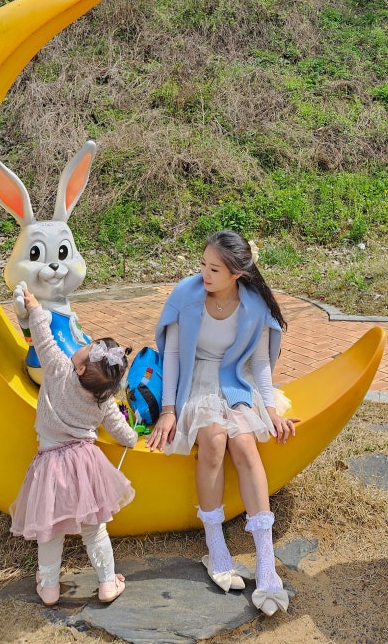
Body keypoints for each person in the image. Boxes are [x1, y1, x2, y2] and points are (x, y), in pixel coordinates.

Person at [145, 230, 297, 616]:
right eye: (203, 264)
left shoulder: (254, 305)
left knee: (244, 444)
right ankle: (216, 547)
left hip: (234, 379)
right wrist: (168, 410)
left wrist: (270, 410)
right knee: (213, 441)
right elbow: (173, 354)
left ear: (237, 274)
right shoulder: (186, 295)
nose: (205, 274)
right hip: (194, 380)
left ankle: (266, 562)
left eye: (214, 269)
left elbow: (259, 362)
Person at [11, 284, 137, 606]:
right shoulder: (103, 399)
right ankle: (107, 583)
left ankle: (49, 587)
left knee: (50, 531)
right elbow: (122, 432)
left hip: (51, 465)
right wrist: (133, 439)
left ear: (80, 367)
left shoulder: (57, 369)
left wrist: (35, 308)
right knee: (95, 530)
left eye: (86, 347)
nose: (81, 345)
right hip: (86, 465)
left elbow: (43, 338)